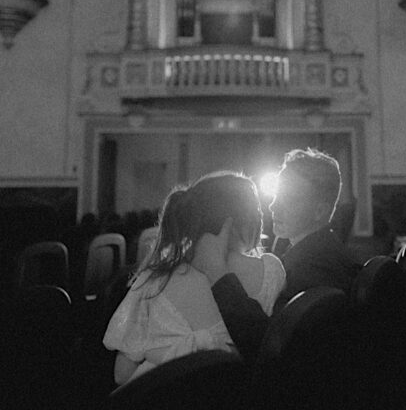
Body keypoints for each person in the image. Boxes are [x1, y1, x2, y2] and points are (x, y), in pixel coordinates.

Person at [103, 172, 286, 385]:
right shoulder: (271, 271)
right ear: (249, 219)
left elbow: (122, 375)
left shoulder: (154, 278)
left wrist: (161, 356)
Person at [193, 148, 362, 361]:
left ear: (319, 211)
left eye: (288, 199)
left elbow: (268, 344)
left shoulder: (314, 267)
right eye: (276, 196)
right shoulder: (318, 249)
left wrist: (218, 272)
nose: (273, 206)